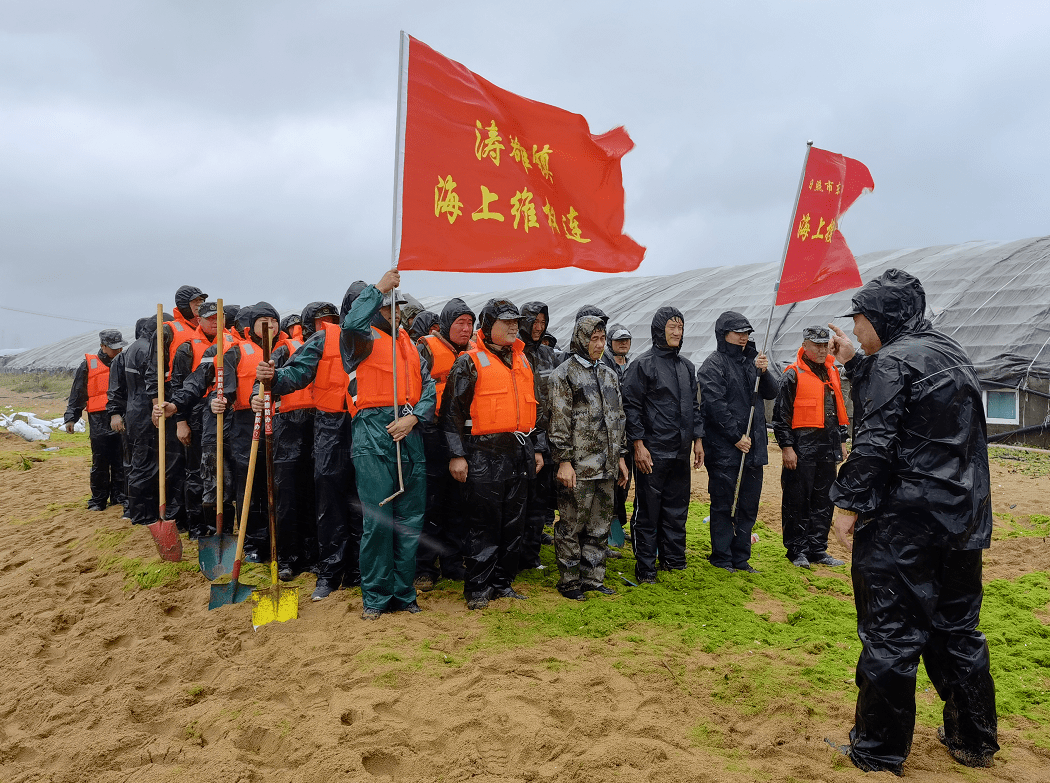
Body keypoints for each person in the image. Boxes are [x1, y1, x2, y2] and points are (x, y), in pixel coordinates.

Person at [827, 269, 998, 775]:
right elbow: (912, 410)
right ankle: (974, 739)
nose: (854, 330)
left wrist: (848, 503)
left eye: (859, 320)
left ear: (882, 318)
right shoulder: (948, 352)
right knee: (957, 631)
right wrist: (859, 365)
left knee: (890, 635)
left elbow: (876, 441)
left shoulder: (892, 363)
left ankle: (878, 751)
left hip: (906, 526)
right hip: (962, 520)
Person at [341, 271, 436, 619]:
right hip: (372, 433)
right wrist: (377, 289)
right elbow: (351, 324)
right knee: (379, 520)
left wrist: (414, 418)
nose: (398, 313)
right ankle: (377, 597)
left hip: (409, 431)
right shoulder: (359, 341)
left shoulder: (411, 344)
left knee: (410, 520)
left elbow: (429, 388)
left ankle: (404, 593)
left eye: (399, 307)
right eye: (390, 307)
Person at [257, 297, 362, 598]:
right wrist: (273, 378)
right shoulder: (322, 339)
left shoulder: (381, 340)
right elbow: (296, 373)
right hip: (330, 425)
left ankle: (358, 570)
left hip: (367, 425)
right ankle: (329, 573)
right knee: (328, 502)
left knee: (363, 503)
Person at [443, 299, 545, 610]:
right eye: (507, 322)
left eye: (516, 321)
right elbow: (451, 414)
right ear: (488, 326)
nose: (515, 326)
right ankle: (477, 589)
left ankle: (502, 583)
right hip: (484, 452)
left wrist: (538, 448)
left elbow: (537, 410)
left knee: (514, 523)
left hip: (519, 450)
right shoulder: (469, 363)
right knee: (484, 523)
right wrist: (457, 455)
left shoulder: (524, 361)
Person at [621, 307, 704, 584]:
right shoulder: (642, 365)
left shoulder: (686, 367)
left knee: (677, 508)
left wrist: (697, 440)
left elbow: (693, 406)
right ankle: (646, 567)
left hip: (679, 450)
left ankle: (674, 560)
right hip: (653, 451)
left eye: (680, 328)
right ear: (659, 329)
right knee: (649, 510)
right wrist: (638, 444)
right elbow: (631, 407)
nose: (677, 332)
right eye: (671, 327)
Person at [548, 315, 628, 600]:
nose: (598, 344)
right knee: (572, 524)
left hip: (605, 465)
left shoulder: (608, 373)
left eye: (601, 339)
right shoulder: (564, 374)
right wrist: (564, 461)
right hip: (578, 467)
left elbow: (617, 418)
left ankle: (593, 579)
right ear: (580, 339)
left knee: (599, 525)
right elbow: (559, 422)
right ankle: (569, 582)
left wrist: (620, 458)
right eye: (593, 339)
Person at [697, 311, 777, 574]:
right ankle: (721, 556)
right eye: (738, 332)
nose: (744, 337)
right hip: (725, 451)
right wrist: (735, 438)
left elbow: (771, 393)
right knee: (723, 503)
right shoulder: (713, 366)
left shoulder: (752, 361)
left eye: (747, 333)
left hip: (753, 449)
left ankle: (741, 558)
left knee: (748, 505)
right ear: (724, 334)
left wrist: (763, 372)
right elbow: (716, 407)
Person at [771, 326, 848, 569]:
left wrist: (842, 441)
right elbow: (780, 416)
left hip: (827, 448)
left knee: (824, 501)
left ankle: (817, 549)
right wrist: (787, 446)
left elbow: (838, 410)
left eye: (825, 345)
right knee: (797, 500)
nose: (822, 349)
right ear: (805, 345)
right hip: (802, 448)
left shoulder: (832, 372)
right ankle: (797, 550)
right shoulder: (791, 375)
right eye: (817, 345)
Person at [414, 298, 475, 589]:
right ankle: (424, 567)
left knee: (458, 502)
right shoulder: (425, 347)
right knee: (430, 502)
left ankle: (452, 562)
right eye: (461, 323)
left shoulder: (473, 353)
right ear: (448, 324)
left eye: (470, 323)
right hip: (430, 432)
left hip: (462, 433)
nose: (467, 329)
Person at [107, 317, 163, 526]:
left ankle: (134, 510)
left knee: (135, 463)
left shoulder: (130, 352)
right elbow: (118, 389)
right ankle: (139, 513)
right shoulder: (143, 351)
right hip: (143, 414)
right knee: (142, 464)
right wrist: (115, 413)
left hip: (134, 413)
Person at [65, 329, 128, 512]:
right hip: (98, 419)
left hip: (120, 416)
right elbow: (77, 393)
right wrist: (71, 417)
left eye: (120, 347)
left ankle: (119, 496)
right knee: (100, 460)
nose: (118, 351)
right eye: (114, 348)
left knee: (120, 459)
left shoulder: (124, 361)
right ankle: (98, 499)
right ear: (103, 346)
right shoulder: (88, 365)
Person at [517, 301, 559, 569]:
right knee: (520, 501)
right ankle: (515, 555)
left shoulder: (547, 354)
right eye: (534, 321)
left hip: (546, 438)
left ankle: (531, 556)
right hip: (522, 438)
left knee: (538, 503)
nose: (539, 327)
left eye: (543, 322)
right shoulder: (514, 353)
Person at [601, 323, 633, 551]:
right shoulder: (604, 367)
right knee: (608, 483)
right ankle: (606, 529)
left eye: (626, 340)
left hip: (629, 435)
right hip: (608, 437)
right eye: (618, 340)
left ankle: (618, 524)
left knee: (624, 483)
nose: (623, 343)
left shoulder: (633, 367)